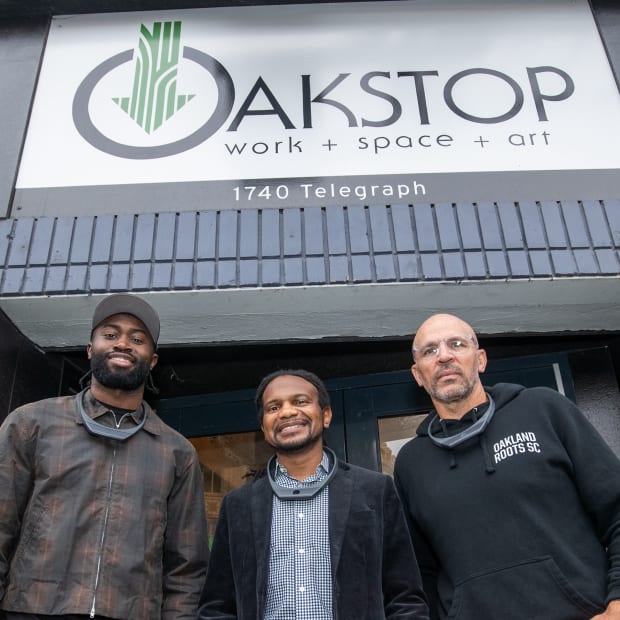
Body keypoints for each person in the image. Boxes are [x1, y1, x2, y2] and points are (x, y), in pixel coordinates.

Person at [393, 312, 620, 620]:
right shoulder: (410, 463)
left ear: (480, 359)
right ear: (418, 374)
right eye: (430, 351)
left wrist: (617, 604)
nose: (444, 356)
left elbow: (616, 510)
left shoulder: (544, 409)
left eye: (456, 344)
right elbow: (419, 573)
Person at [0, 293, 209, 620]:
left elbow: (186, 566)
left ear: (152, 360)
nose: (123, 344)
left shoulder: (177, 452)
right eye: (110, 335)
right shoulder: (31, 424)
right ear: (89, 349)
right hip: (32, 608)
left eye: (137, 339)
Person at [197, 369, 429, 620]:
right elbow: (216, 606)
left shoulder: (374, 490)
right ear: (263, 427)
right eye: (274, 407)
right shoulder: (237, 506)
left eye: (300, 401)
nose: (287, 412)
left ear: (326, 415)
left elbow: (405, 598)